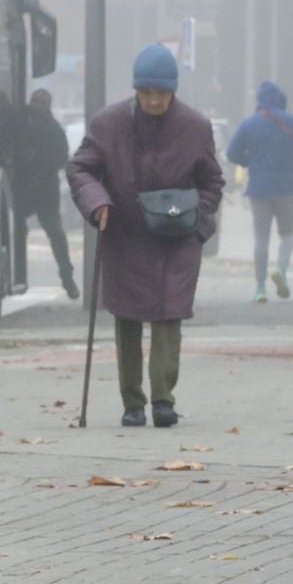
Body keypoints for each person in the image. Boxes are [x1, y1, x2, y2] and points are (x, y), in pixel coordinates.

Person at [67, 44, 224, 428]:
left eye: (162, 93)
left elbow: (212, 181)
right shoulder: (109, 124)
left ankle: (163, 398)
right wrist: (98, 202)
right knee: (128, 317)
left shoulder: (194, 126)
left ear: (173, 91)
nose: (155, 101)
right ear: (136, 90)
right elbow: (81, 169)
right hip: (126, 233)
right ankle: (132, 402)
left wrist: (198, 222)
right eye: (147, 93)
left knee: (169, 315)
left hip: (178, 236)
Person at [225, 80, 293, 303]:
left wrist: (249, 161)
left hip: (258, 188)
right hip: (286, 188)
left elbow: (232, 153)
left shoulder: (249, 124)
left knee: (261, 239)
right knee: (288, 234)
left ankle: (260, 288)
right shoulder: (291, 121)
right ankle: (281, 271)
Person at [11, 88, 79, 299]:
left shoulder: (53, 129)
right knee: (19, 234)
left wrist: (39, 161)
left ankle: (67, 279)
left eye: (42, 103)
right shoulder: (19, 125)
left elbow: (61, 157)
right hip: (22, 188)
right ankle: (19, 276)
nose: (38, 106)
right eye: (36, 102)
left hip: (45, 191)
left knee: (57, 235)